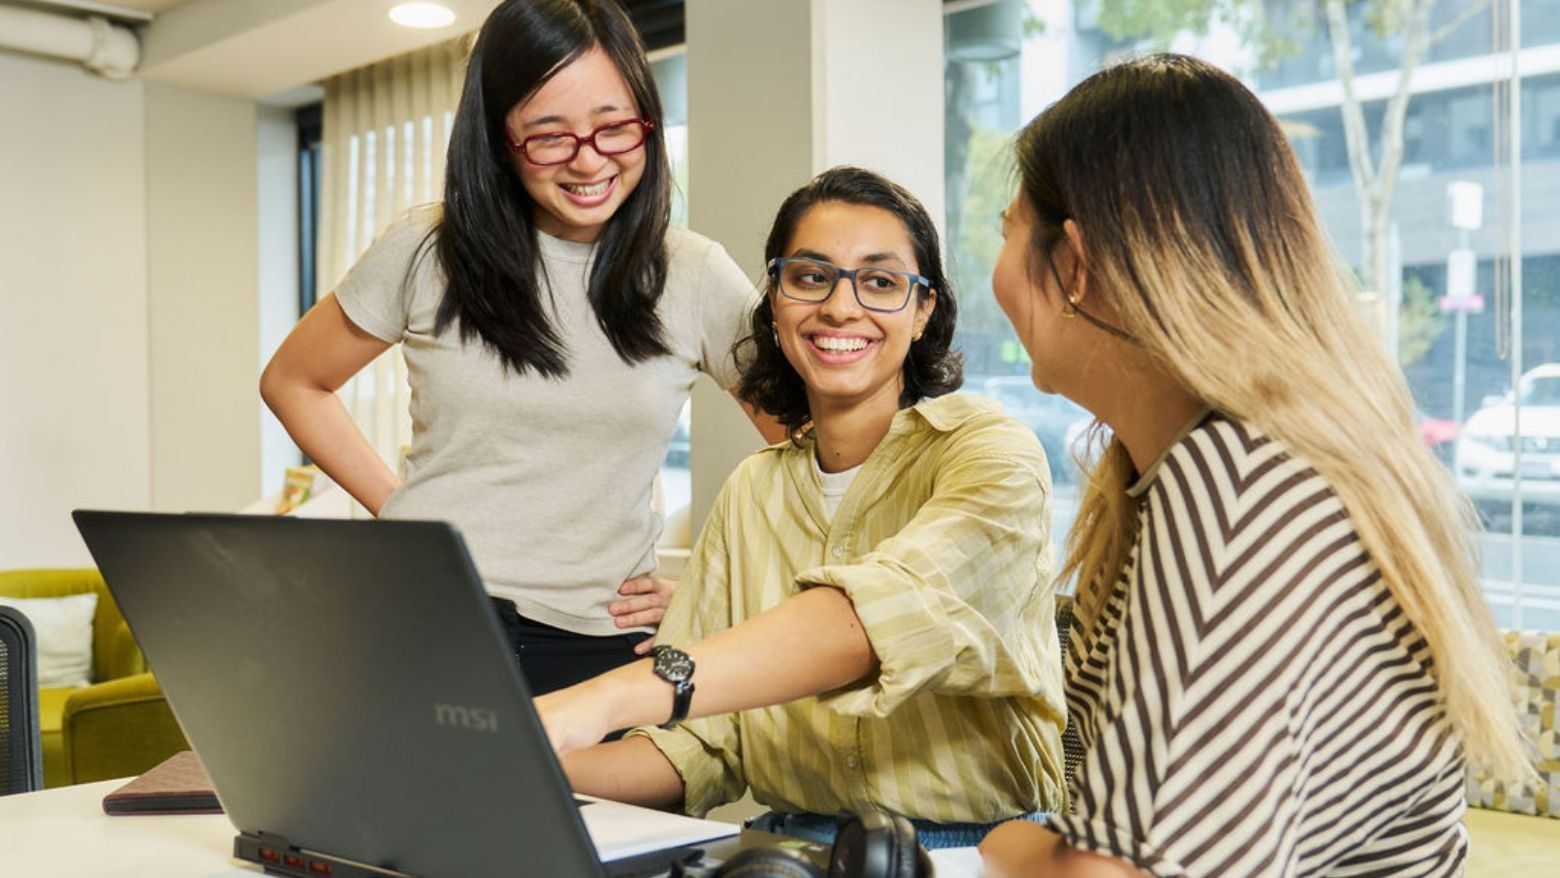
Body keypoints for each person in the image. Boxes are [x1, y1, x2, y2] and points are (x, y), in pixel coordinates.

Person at [976, 54, 1528, 877]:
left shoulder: (1236, 486)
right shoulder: (1221, 472)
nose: (997, 272)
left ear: (1075, 265)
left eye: (1009, 230)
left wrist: (1010, 847)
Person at [534, 167, 1070, 849]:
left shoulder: (990, 453)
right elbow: (704, 746)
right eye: (810, 277)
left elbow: (880, 613)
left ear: (924, 308)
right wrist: (531, 761)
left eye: (880, 282)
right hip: (788, 849)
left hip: (978, 850)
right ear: (777, 301)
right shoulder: (750, 492)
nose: (840, 308)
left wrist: (599, 700)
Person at [260, 0, 778, 696]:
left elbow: (807, 452)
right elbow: (294, 380)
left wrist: (705, 585)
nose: (589, 160)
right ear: (499, 138)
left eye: (614, 128)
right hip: (422, 617)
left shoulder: (691, 272)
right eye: (549, 136)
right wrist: (404, 514)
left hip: (601, 647)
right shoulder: (427, 249)